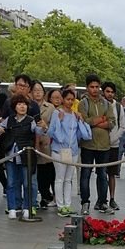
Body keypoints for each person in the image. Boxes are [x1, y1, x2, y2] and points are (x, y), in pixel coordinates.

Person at [0, 95, 44, 220]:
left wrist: (43, 127)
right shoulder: (9, 119)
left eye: (24, 104)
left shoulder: (30, 120)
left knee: (27, 183)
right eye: (19, 104)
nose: (22, 106)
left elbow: (39, 132)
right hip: (11, 155)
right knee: (11, 183)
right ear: (14, 107)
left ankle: (27, 207)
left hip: (26, 156)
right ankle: (12, 207)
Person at [78, 75, 113, 215]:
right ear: (87, 88)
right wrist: (100, 119)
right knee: (85, 173)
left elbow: (111, 122)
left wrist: (97, 121)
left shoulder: (106, 104)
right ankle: (85, 202)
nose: (95, 90)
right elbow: (85, 121)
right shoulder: (83, 103)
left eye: (97, 87)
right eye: (92, 87)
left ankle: (102, 202)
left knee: (102, 174)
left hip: (104, 145)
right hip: (88, 144)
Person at [48, 87, 85, 216]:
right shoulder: (57, 113)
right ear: (63, 99)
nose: (70, 102)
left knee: (69, 179)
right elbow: (51, 131)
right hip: (60, 149)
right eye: (68, 99)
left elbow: (78, 133)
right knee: (60, 178)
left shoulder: (75, 114)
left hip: (73, 150)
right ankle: (60, 205)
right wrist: (60, 120)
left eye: (72, 100)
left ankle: (68, 204)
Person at [32, 82, 57, 208]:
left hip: (46, 142)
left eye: (40, 90)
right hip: (32, 141)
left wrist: (46, 128)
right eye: (35, 90)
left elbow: (54, 125)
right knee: (35, 171)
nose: (37, 92)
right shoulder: (28, 105)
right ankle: (37, 197)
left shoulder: (50, 107)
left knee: (47, 170)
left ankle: (46, 195)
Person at [101, 81, 124, 211]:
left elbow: (122, 126)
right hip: (100, 144)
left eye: (111, 92)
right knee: (101, 173)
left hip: (113, 144)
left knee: (112, 173)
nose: (109, 94)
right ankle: (101, 199)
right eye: (107, 91)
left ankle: (112, 198)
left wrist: (113, 138)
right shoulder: (99, 104)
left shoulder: (119, 107)